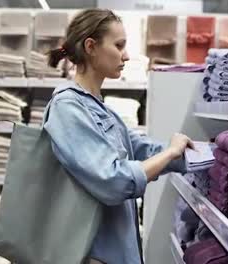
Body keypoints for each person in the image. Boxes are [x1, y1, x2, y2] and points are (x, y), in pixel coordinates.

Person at [44, 8, 194, 264]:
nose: (125, 55)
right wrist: (170, 152)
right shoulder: (67, 108)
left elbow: (139, 149)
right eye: (119, 45)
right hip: (93, 255)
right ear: (91, 46)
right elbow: (113, 180)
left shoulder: (97, 107)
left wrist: (199, 156)